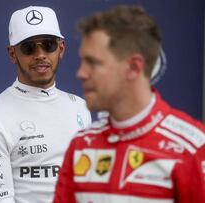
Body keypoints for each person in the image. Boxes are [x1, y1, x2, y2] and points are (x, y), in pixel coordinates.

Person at [54, 5, 205, 203]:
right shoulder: (81, 145)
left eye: (93, 62)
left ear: (133, 68)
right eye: (82, 62)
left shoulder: (192, 148)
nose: (81, 73)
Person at [0, 6, 91, 203]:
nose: (40, 54)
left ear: (61, 49)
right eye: (28, 47)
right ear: (12, 54)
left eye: (49, 45)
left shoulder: (81, 107)